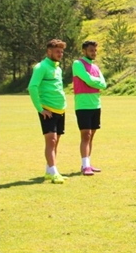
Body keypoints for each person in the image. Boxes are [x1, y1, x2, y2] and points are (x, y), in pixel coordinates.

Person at [28, 39, 68, 184]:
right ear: (49, 51)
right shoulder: (41, 67)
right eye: (57, 51)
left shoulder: (58, 68)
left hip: (60, 109)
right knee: (51, 140)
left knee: (55, 141)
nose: (60, 54)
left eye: (62, 51)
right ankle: (54, 171)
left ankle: (49, 171)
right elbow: (32, 87)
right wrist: (40, 109)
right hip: (48, 110)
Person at [72, 40, 107, 176]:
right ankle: (85, 165)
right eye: (91, 50)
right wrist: (95, 81)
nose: (94, 53)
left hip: (96, 104)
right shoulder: (78, 64)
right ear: (84, 51)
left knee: (91, 135)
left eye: (95, 50)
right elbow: (88, 80)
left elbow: (103, 84)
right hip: (83, 105)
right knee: (85, 135)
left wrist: (95, 81)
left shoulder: (96, 67)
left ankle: (87, 164)